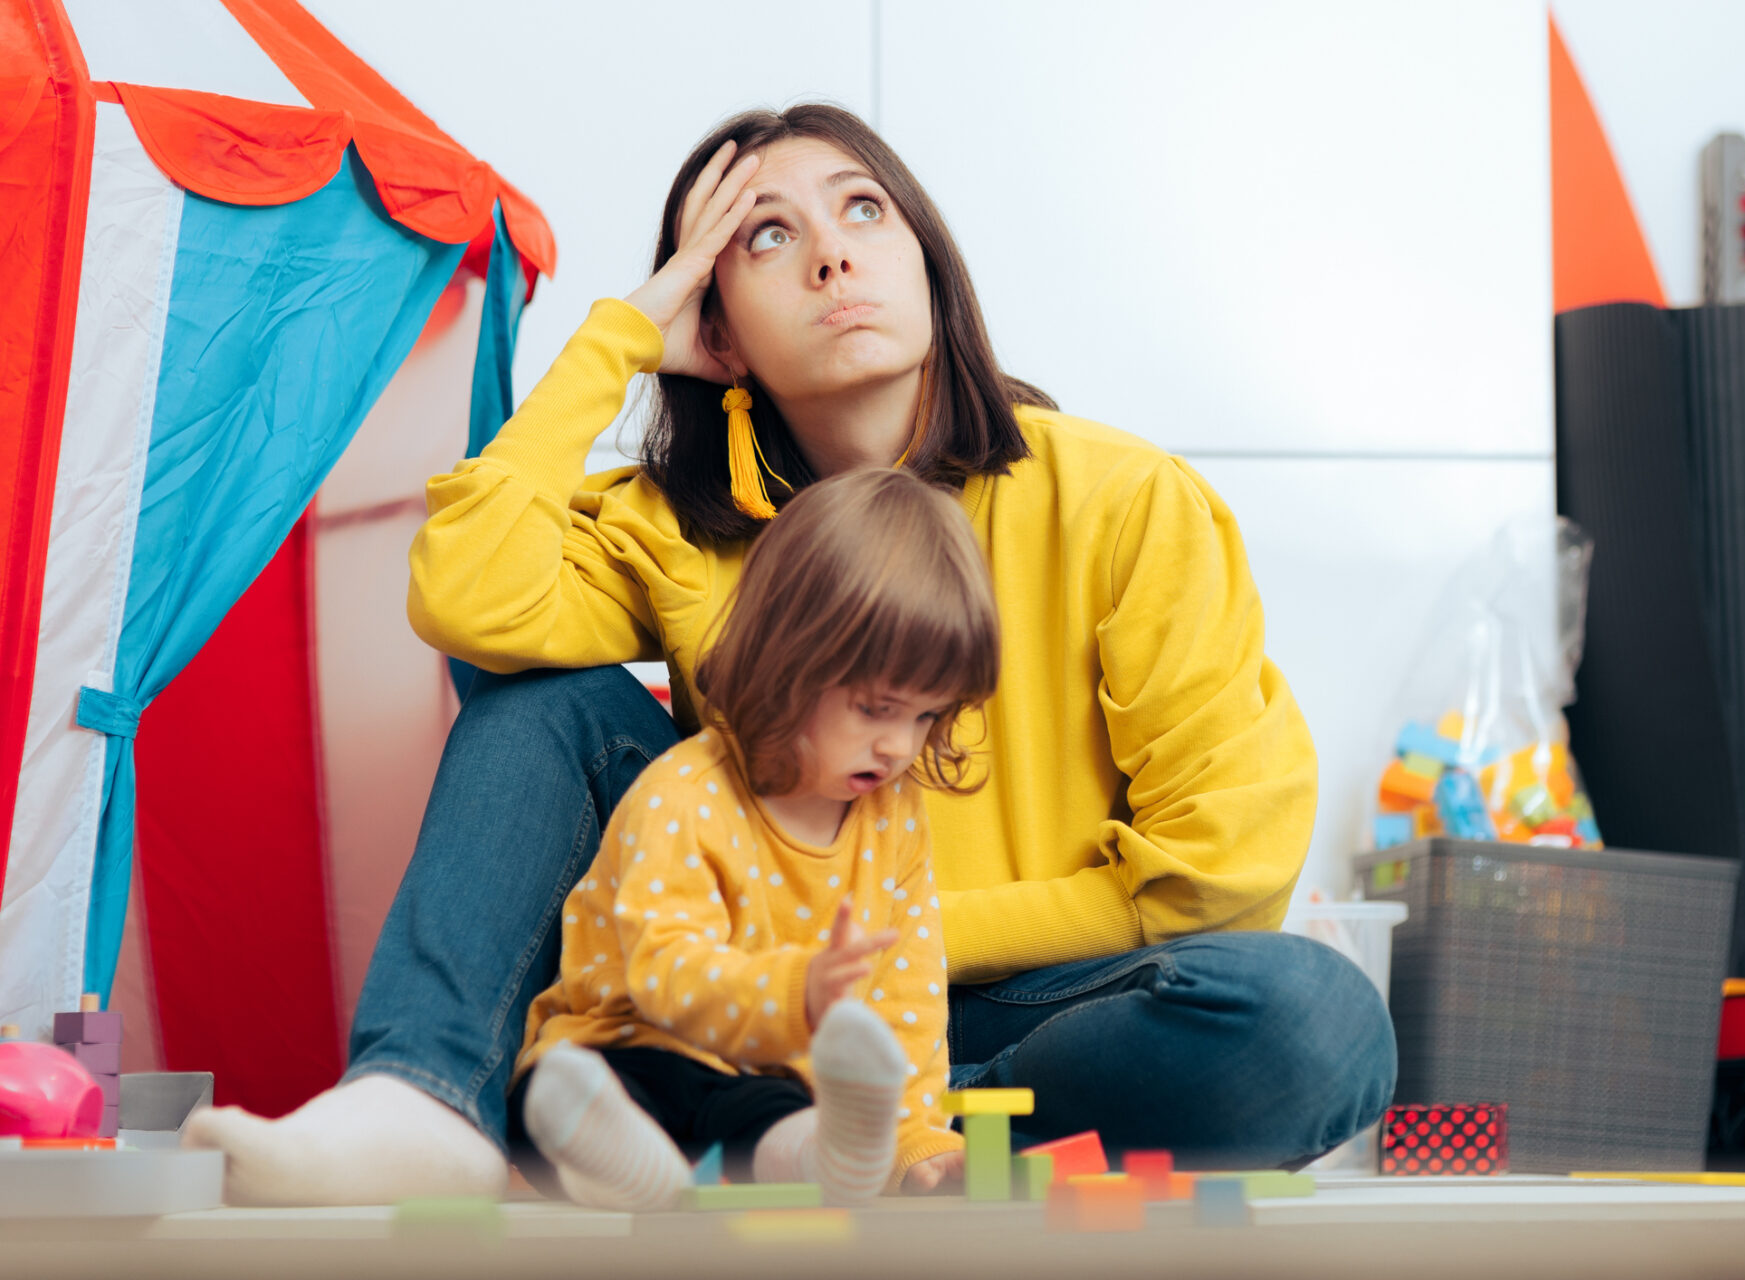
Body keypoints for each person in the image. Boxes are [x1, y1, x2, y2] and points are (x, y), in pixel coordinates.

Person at [184, 103, 1396, 1206]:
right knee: (539, 701)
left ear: (926, 257)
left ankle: (831, 1137)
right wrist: (618, 337)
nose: (832, 254)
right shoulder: (682, 524)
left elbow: (1221, 870)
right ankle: (430, 1096)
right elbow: (466, 596)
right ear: (719, 325)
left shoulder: (1121, 497)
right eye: (767, 236)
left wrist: (899, 950)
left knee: (1314, 1020)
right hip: (765, 1000)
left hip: (1042, 1005)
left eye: (863, 209)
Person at [511, 467, 992, 1210]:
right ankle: (631, 1166)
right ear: (788, 663)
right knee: (558, 1088)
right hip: (636, 1045)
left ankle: (834, 1160)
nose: (900, 746)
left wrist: (916, 1137)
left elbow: (909, 992)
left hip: (766, 1084)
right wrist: (799, 990)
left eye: (927, 718)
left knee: (780, 1116)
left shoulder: (891, 814)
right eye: (876, 709)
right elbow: (664, 978)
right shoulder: (685, 794)